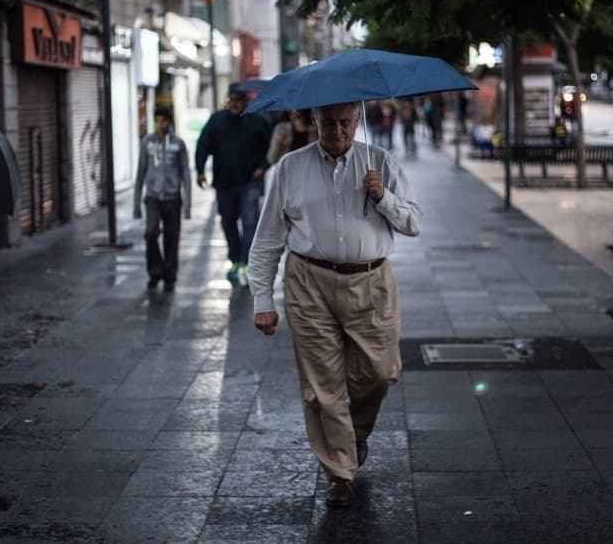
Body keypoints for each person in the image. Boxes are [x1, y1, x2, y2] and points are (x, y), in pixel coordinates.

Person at [247, 101, 422, 508]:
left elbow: (414, 223)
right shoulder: (291, 167)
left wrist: (382, 196)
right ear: (314, 121)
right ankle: (339, 472)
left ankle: (352, 435)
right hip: (309, 282)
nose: (338, 131)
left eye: (346, 122)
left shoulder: (380, 161)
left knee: (380, 373)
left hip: (371, 282)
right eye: (328, 123)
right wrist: (262, 298)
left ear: (357, 121)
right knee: (321, 385)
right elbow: (268, 237)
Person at [196, 82, 272, 286]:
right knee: (228, 222)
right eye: (231, 100)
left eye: (239, 101)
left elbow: (271, 147)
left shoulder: (258, 122)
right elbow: (203, 144)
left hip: (249, 182)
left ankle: (247, 263)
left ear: (246, 102)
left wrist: (263, 167)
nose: (234, 104)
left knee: (250, 223)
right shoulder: (217, 120)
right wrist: (200, 170)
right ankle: (235, 259)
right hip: (224, 183)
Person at [133, 105, 191, 291]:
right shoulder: (147, 143)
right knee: (151, 232)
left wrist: (188, 205)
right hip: (152, 198)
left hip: (173, 198)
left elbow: (185, 173)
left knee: (171, 238)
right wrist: (136, 204)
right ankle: (155, 271)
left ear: (169, 122)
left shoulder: (178, 144)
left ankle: (170, 276)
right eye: (157, 120)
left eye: (163, 121)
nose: (160, 124)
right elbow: (140, 172)